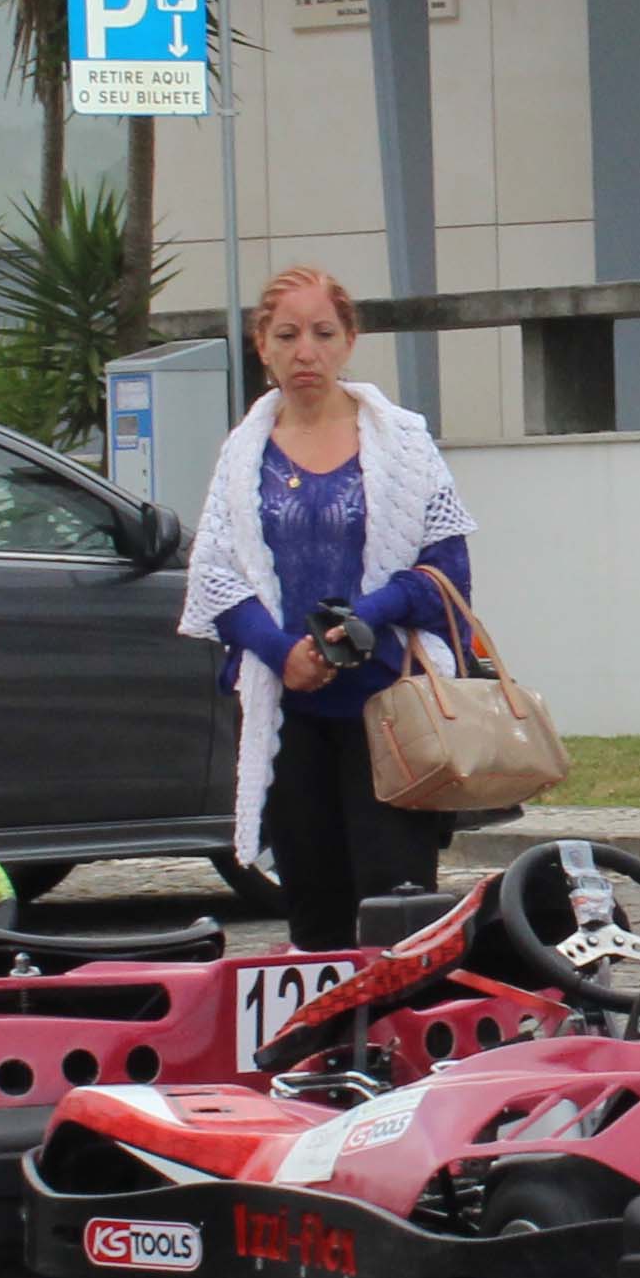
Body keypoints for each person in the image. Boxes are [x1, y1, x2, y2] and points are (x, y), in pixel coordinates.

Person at [178, 268, 476, 956]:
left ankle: (397, 1023)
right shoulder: (243, 453)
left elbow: (447, 574)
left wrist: (364, 617)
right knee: (314, 916)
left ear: (349, 341)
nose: (304, 352)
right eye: (287, 335)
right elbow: (216, 578)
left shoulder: (404, 443)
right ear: (262, 344)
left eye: (322, 333)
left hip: (389, 712)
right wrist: (281, 651)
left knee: (396, 911)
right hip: (289, 714)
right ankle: (326, 1025)